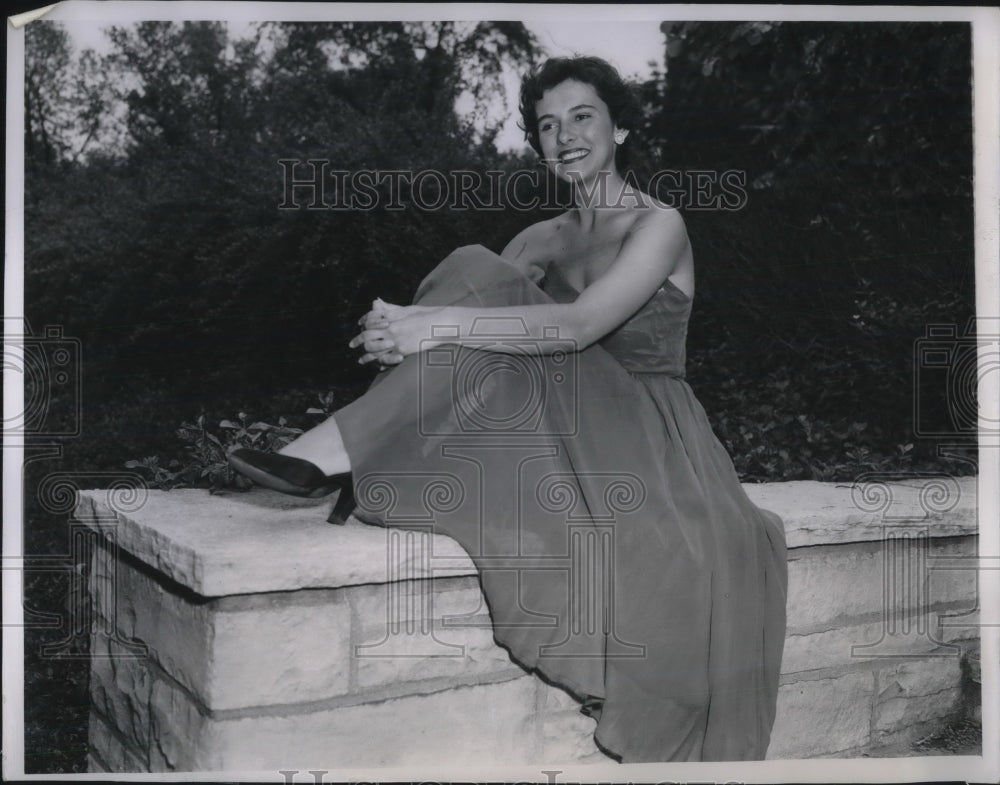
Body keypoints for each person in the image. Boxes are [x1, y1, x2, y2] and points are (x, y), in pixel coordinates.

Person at [229, 56, 787, 763]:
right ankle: (342, 447)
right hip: (559, 415)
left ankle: (326, 454)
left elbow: (579, 327)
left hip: (646, 428)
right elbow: (480, 336)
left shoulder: (659, 222)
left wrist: (428, 325)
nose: (564, 137)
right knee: (477, 272)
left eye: (582, 117)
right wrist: (402, 335)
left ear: (622, 129)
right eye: (546, 126)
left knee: (476, 277)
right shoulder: (537, 240)